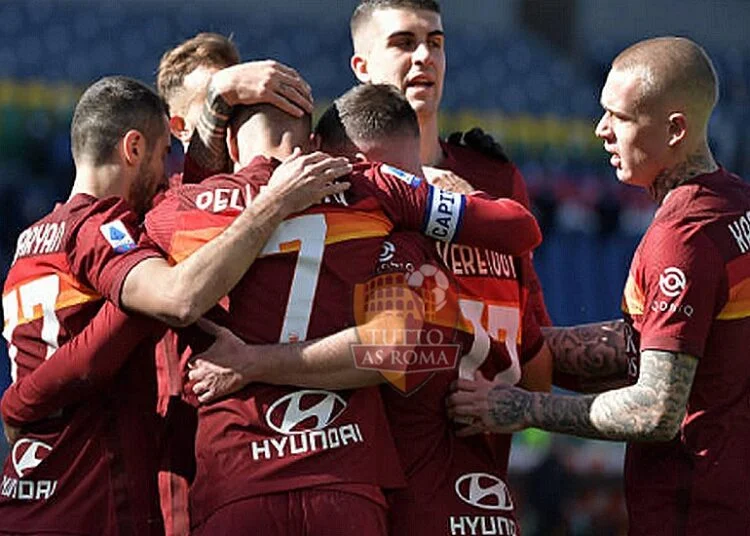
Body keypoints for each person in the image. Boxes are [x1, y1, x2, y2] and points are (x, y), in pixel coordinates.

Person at [142, 81, 540, 535]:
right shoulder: (371, 186)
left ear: (231, 142)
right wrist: (418, 182)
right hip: (345, 479)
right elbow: (519, 228)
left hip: (237, 478)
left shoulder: (181, 208)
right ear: (312, 143)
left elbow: (164, 297)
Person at [0, 75, 349, 535]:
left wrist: (22, 402)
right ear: (133, 148)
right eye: (166, 152)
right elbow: (178, 297)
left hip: (26, 490)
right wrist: (274, 202)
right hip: (89, 499)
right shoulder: (101, 228)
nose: (170, 175)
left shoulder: (32, 242)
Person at [448, 37, 750, 535]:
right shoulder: (735, 204)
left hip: (695, 511)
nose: (601, 130)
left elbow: (655, 410)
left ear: (675, 129)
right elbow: (656, 349)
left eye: (620, 117)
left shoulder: (684, 237)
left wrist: (523, 408)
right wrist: (510, 343)